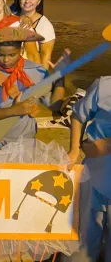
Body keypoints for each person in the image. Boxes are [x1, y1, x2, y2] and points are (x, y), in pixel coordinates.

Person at [0, 27, 67, 156]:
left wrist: (60, 78)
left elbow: (55, 106)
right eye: (1, 55)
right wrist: (14, 110)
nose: (6, 60)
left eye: (12, 55)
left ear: (21, 50)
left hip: (25, 142)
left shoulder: (37, 71)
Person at [66, 73, 111, 261]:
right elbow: (78, 116)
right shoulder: (104, 85)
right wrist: (75, 149)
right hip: (94, 174)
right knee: (84, 240)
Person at [16, 0, 55, 70]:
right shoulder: (11, 17)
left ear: (39, 1)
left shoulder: (45, 25)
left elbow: (45, 56)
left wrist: (42, 79)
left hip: (30, 70)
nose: (27, 1)